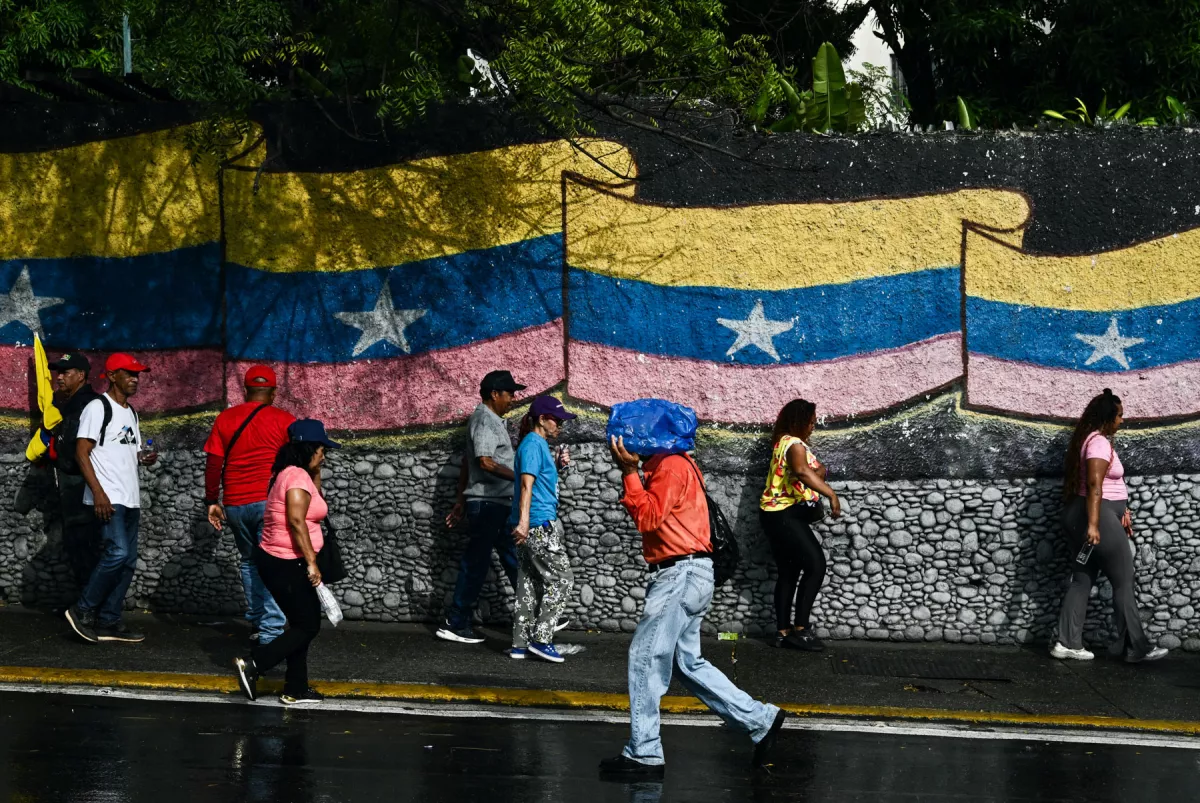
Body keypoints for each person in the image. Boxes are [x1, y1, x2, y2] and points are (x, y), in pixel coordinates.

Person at [600, 429, 787, 778]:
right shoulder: (677, 465)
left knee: (645, 658)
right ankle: (760, 719)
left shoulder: (671, 466)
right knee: (688, 664)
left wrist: (628, 473)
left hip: (679, 575)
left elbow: (648, 518)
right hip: (691, 574)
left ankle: (644, 752)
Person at [1052, 389, 1168, 664]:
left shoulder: (1090, 440)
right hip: (1095, 517)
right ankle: (1136, 647)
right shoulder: (1099, 444)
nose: (1122, 421)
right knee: (1123, 580)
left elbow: (1106, 485)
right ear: (1108, 418)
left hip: (1094, 514)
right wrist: (1095, 525)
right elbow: (1094, 485)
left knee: (1082, 579)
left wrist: (1122, 509)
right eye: (1120, 415)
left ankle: (1067, 643)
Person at [234, 419, 340, 705]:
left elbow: (312, 503)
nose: (324, 454)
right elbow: (296, 521)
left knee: (299, 625)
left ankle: (295, 688)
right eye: (321, 449)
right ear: (309, 448)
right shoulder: (294, 477)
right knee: (308, 626)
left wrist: (315, 471)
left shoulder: (292, 474)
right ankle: (255, 665)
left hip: (280, 561)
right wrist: (311, 563)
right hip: (286, 562)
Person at [64, 353, 156, 644]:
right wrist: (99, 493)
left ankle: (109, 621)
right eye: (129, 373)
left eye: (137, 374)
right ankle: (82, 610)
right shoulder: (97, 406)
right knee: (116, 554)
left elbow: (125, 450)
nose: (135, 379)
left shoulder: (131, 413)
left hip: (130, 497)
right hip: (109, 496)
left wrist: (144, 458)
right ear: (112, 375)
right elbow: (82, 452)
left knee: (127, 561)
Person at [204, 365, 296, 645]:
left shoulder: (225, 418)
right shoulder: (285, 421)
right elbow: (293, 465)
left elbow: (214, 463)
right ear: (273, 392)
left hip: (234, 504)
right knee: (274, 564)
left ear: (246, 390)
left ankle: (257, 620)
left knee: (249, 561)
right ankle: (271, 632)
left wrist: (211, 500)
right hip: (268, 503)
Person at [437, 370, 525, 644]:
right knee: (477, 563)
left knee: (512, 559)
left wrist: (462, 498)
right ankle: (456, 621)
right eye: (510, 393)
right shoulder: (485, 419)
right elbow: (484, 462)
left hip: (493, 503)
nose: (513, 398)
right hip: (488, 504)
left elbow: (468, 462)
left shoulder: (491, 420)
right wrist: (520, 476)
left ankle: (535, 615)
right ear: (494, 394)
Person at [758, 399, 842, 651]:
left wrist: (816, 472)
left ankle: (783, 632)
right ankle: (801, 630)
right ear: (800, 421)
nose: (812, 427)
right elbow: (804, 472)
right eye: (811, 422)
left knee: (789, 572)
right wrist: (831, 494)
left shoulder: (783, 442)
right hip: (786, 515)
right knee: (816, 565)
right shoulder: (794, 444)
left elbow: (812, 470)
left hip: (773, 514)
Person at [509, 395, 576, 663]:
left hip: (531, 523)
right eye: (556, 419)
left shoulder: (536, 445)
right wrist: (524, 522)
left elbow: (540, 483)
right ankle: (541, 638)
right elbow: (526, 485)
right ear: (541, 419)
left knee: (529, 583)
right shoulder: (534, 445)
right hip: (537, 524)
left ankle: (520, 644)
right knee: (563, 579)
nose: (559, 424)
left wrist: (557, 466)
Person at [48, 352, 103, 588]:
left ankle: (88, 605)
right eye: (58, 373)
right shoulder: (71, 403)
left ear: (80, 375)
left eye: (65, 373)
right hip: (77, 488)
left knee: (83, 546)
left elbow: (74, 453)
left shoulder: (86, 404)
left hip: (81, 487)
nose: (59, 378)